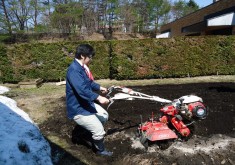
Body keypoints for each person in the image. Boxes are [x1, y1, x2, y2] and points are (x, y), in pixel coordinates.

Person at [65, 44, 113, 156]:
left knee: (104, 116)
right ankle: (100, 151)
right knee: (99, 131)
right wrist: (99, 97)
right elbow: (82, 90)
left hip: (85, 103)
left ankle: (88, 132)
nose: (91, 59)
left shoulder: (81, 67)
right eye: (90, 57)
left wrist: (99, 88)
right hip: (78, 108)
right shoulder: (74, 70)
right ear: (83, 56)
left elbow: (89, 83)